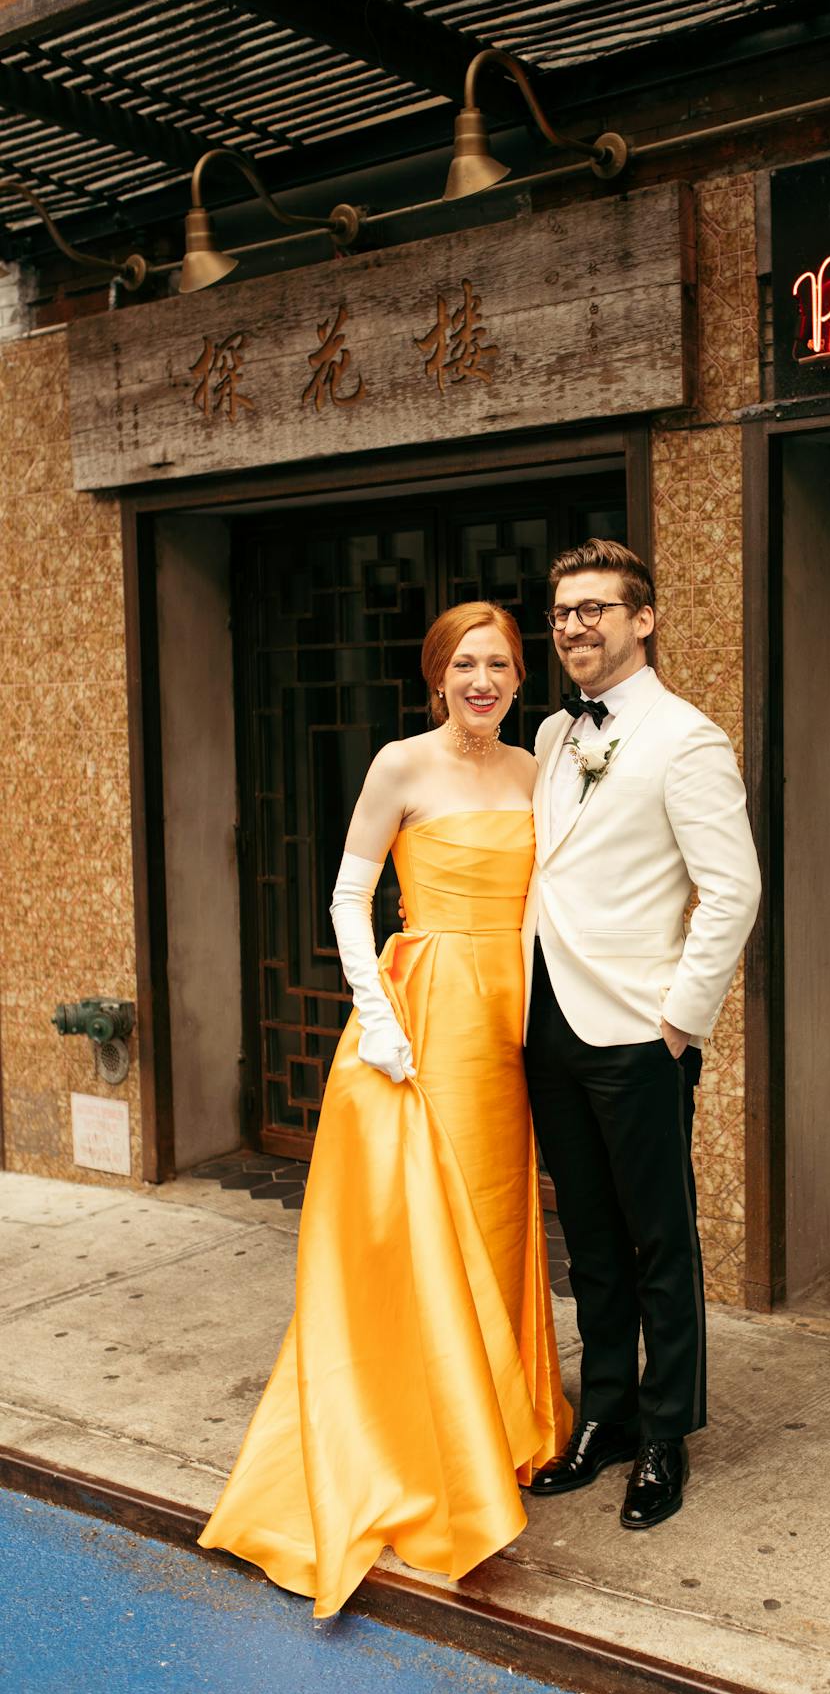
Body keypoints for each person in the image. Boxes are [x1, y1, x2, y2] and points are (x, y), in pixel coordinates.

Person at [198, 602, 571, 1619]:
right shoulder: (399, 764)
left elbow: (551, 901)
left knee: (498, 1212)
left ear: (517, 676)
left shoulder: (539, 774)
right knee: (426, 1218)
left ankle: (496, 1417)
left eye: (499, 662)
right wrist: (378, 1016)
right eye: (465, 663)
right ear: (436, 674)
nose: (482, 678)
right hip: (431, 1003)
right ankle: (421, 1437)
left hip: (515, 1007)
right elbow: (345, 896)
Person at [523, 540, 761, 1530]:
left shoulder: (687, 737)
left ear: (644, 618)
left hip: (636, 1030)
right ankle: (607, 1413)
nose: (576, 626)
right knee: (589, 1238)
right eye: (564, 611)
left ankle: (667, 1433)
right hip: (547, 1020)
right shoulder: (546, 734)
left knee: (661, 1238)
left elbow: (733, 889)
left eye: (596, 609)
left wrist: (677, 1021)